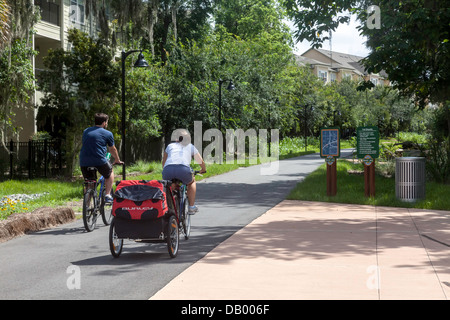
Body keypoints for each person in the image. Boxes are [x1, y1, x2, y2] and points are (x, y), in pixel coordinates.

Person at [79, 113, 123, 203]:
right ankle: (107, 195)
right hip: (99, 160)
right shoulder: (108, 133)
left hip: (84, 161)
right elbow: (112, 149)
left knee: (89, 183)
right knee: (110, 173)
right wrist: (117, 159)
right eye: (107, 122)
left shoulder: (86, 131)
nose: (107, 124)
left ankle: (86, 207)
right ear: (104, 123)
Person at [162, 129, 206, 214]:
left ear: (176, 138)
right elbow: (201, 161)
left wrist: (167, 172)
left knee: (170, 185)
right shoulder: (190, 146)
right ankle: (191, 207)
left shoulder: (170, 146)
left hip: (168, 170)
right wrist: (203, 170)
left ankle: (169, 206)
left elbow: (164, 162)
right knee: (191, 182)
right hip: (183, 169)